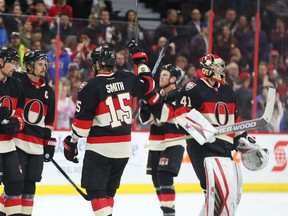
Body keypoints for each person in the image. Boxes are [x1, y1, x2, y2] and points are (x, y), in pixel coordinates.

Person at [63, 42, 157, 216]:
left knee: (96, 193)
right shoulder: (127, 78)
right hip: (124, 149)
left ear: (98, 64)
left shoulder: (90, 87)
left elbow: (82, 127)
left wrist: (72, 141)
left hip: (100, 149)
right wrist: (140, 60)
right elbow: (149, 85)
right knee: (108, 192)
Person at [174, 53, 269, 215]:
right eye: (218, 66)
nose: (222, 69)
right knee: (215, 194)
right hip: (203, 148)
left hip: (225, 148)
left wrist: (243, 139)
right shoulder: (193, 88)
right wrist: (203, 130)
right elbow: (180, 115)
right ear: (207, 68)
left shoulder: (227, 90)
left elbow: (235, 120)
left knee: (229, 195)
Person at [12, 50, 56, 215]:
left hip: (36, 147)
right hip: (17, 142)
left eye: (45, 64)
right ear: (29, 65)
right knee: (14, 184)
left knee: (30, 186)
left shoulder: (49, 92)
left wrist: (49, 143)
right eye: (40, 64)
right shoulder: (16, 81)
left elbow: (49, 123)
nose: (44, 67)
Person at [139, 64, 185, 216]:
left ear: (173, 79)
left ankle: (169, 212)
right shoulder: (159, 95)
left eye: (165, 75)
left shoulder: (178, 95)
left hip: (172, 142)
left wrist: (151, 98)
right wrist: (145, 104)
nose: (161, 77)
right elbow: (146, 120)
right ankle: (166, 211)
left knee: (164, 176)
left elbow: (165, 115)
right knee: (156, 179)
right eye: (161, 75)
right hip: (156, 142)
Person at [0, 45, 25, 216]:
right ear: (1, 62)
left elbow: (20, 114)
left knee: (16, 183)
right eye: (11, 63)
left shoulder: (16, 84)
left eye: (16, 63)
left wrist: (15, 124)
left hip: (8, 145)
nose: (15, 67)